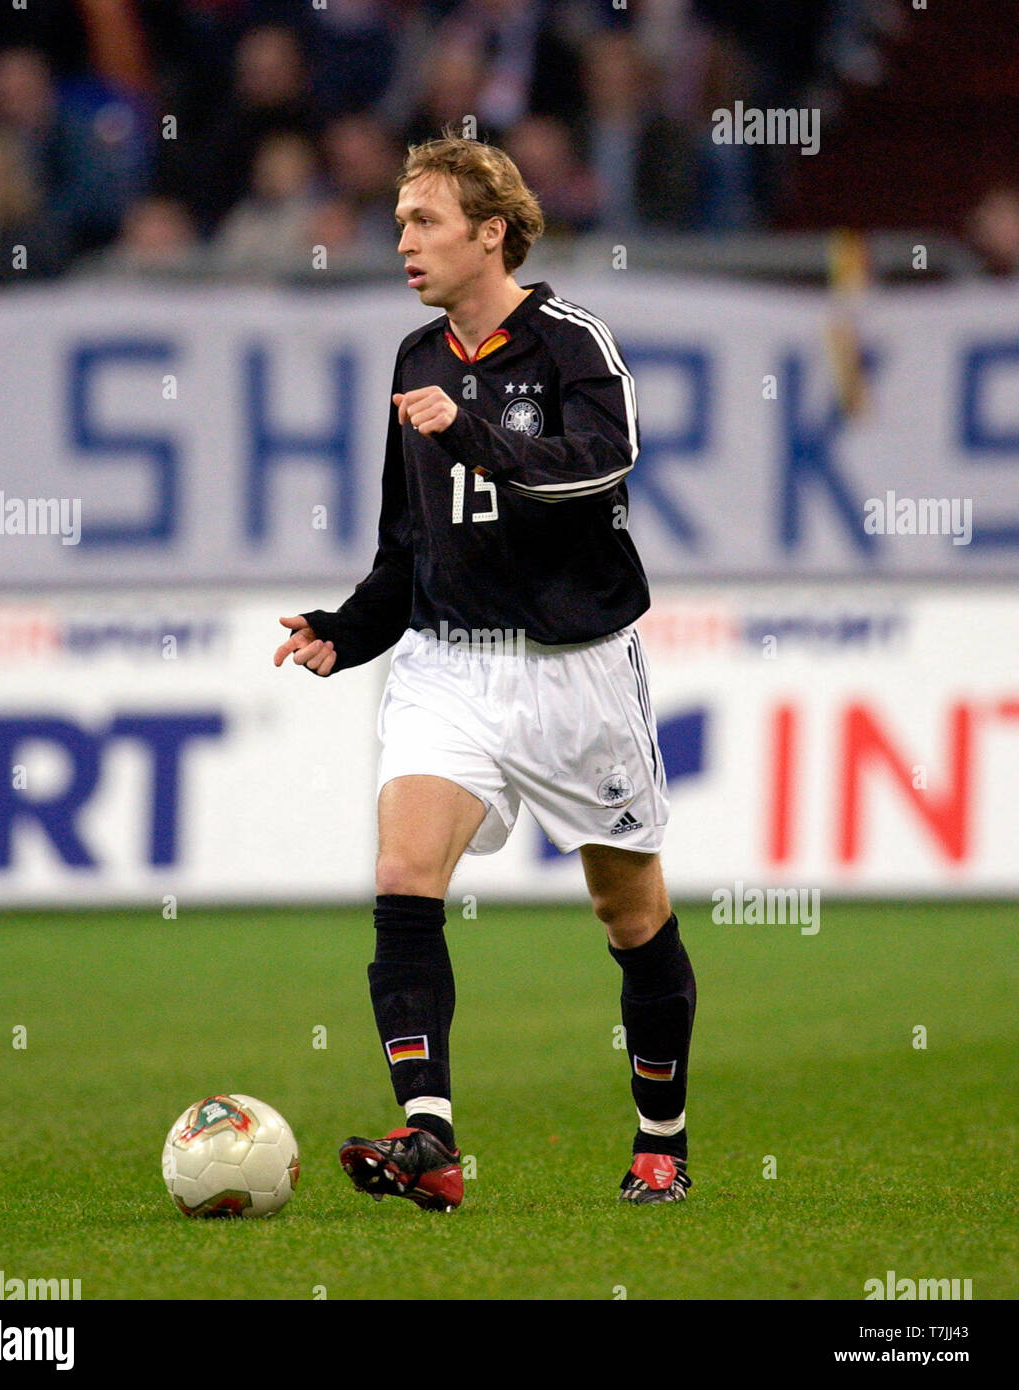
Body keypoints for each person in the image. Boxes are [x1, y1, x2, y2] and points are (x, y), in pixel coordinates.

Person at [274, 131, 696, 1211]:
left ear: (490, 232)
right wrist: (346, 628)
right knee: (404, 877)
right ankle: (430, 1137)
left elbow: (601, 467)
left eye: (424, 220)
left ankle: (662, 1138)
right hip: (448, 668)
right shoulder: (415, 361)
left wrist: (473, 434)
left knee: (629, 915)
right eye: (402, 219)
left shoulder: (570, 344)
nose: (402, 239)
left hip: (576, 674)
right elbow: (405, 547)